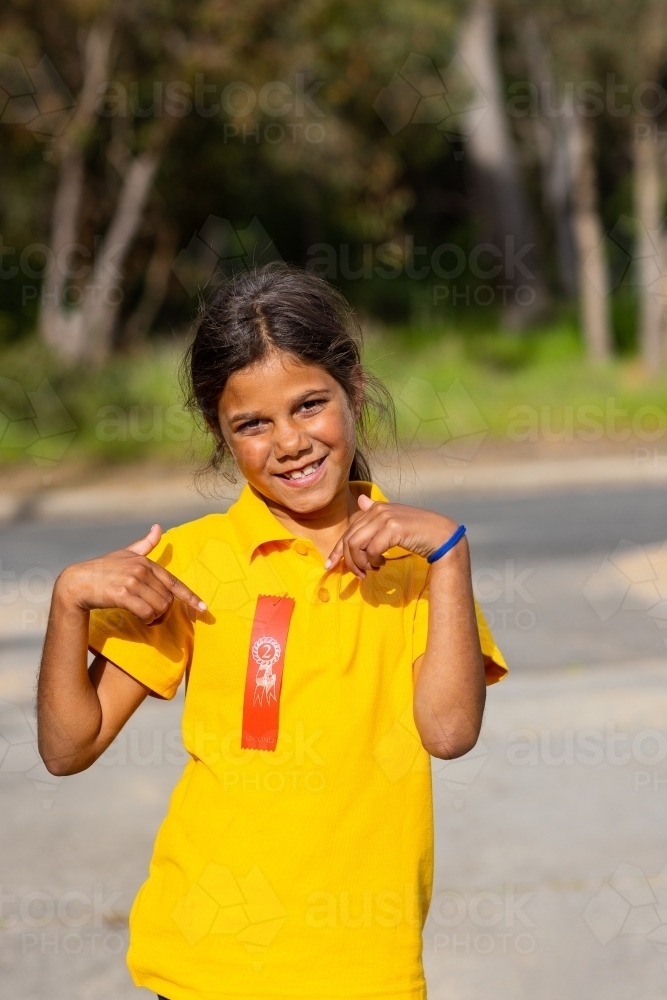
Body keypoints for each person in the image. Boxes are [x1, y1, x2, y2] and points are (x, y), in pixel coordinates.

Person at [37, 263, 507, 1000]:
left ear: (352, 391)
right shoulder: (192, 563)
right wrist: (68, 605)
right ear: (219, 435)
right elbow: (69, 748)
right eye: (252, 424)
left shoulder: (419, 565)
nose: (288, 442)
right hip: (205, 968)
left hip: (365, 973)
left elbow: (447, 733)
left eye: (308, 405)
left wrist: (451, 559)